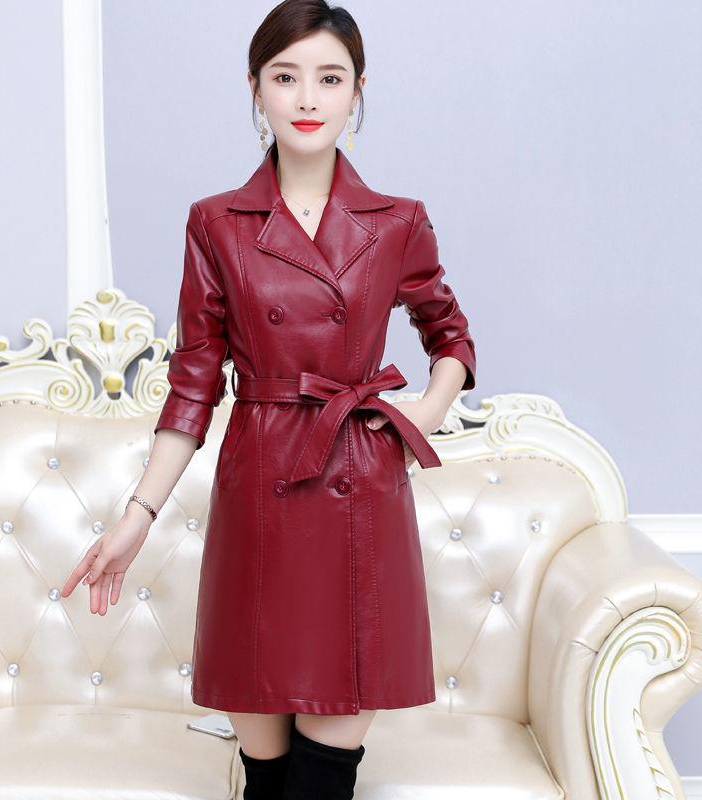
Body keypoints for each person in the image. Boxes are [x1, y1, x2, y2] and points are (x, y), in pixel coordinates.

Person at [62, 1, 476, 797]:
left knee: (325, 772)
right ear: (255, 88)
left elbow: (450, 336)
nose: (308, 99)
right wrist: (137, 516)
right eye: (286, 78)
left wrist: (421, 415)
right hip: (259, 488)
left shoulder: (397, 222)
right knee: (267, 772)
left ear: (359, 91)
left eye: (330, 78)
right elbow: (193, 385)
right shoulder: (215, 223)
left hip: (360, 486)